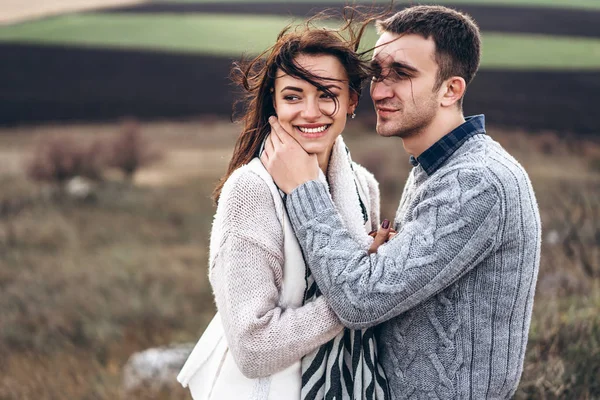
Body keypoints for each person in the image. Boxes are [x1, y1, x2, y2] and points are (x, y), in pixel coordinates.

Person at [261, 5, 541, 399]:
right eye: (378, 72)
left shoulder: (478, 182)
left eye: (403, 74)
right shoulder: (434, 168)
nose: (379, 89)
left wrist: (306, 189)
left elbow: (360, 301)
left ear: (451, 89)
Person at [178, 18, 391, 400]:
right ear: (273, 104)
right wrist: (360, 296)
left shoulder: (363, 186)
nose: (310, 112)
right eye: (293, 96)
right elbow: (254, 348)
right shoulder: (251, 192)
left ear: (352, 102)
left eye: (327, 94)